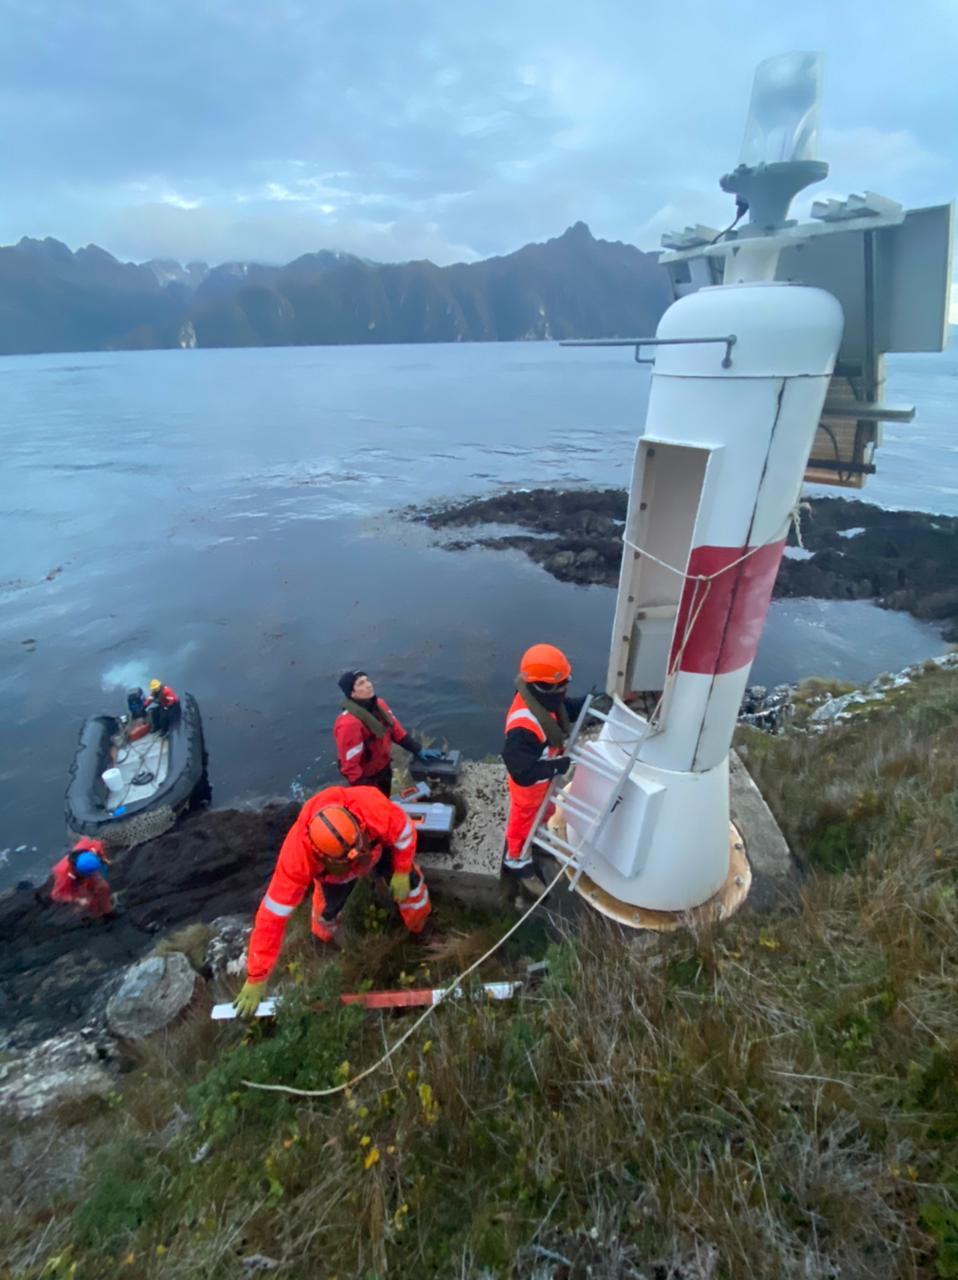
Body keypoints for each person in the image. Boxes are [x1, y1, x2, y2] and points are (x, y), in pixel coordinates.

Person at [234, 785, 431, 1016]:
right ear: (321, 856)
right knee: (327, 911)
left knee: (412, 886)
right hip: (335, 879)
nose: (356, 863)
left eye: (357, 850)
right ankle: (323, 940)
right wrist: (257, 976)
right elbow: (272, 918)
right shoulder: (297, 859)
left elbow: (404, 832)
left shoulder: (372, 808)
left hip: (378, 850)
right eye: (348, 860)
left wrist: (401, 870)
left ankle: (422, 928)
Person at [501, 643, 584, 894]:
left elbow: (565, 709)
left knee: (545, 811)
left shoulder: (542, 701)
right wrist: (558, 766)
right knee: (521, 823)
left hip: (543, 784)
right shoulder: (522, 728)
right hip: (529, 790)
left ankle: (538, 838)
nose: (565, 689)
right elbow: (522, 772)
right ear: (546, 687)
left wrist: (602, 701)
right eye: (562, 685)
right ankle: (516, 860)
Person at [334, 670, 441, 797]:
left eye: (367, 680)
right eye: (361, 683)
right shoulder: (349, 723)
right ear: (352, 693)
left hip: (384, 768)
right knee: (376, 811)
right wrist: (366, 792)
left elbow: (396, 730)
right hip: (367, 778)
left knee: (386, 799)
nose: (368, 685)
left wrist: (417, 749)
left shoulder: (379, 705)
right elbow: (349, 766)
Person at [50, 838, 114, 921]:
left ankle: (108, 911)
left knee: (103, 888)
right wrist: (77, 899)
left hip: (89, 870)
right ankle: (98, 915)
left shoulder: (90, 848)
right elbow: (56, 895)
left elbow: (98, 846)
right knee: (89, 901)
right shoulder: (63, 875)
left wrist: (104, 858)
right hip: (76, 881)